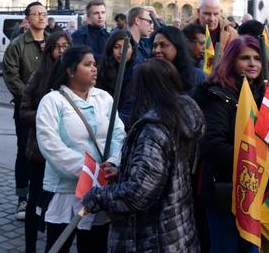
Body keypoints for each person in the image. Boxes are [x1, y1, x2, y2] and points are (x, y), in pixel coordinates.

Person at [82, 58, 205, 252]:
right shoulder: (178, 116)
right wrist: (123, 171)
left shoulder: (155, 129)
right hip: (175, 228)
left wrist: (98, 196)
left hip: (154, 237)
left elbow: (139, 192)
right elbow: (160, 170)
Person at [195, 36, 269, 253]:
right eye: (245, 58)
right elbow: (212, 146)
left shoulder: (264, 94)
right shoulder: (217, 95)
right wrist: (262, 161)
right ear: (230, 61)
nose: (253, 63)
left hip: (256, 192)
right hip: (225, 192)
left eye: (257, 58)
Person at [36, 46, 125, 252]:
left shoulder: (104, 98)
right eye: (87, 64)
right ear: (70, 70)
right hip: (65, 190)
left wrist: (113, 162)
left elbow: (119, 135)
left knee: (95, 246)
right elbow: (50, 145)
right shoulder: (52, 101)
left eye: (94, 64)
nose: (94, 68)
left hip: (100, 189)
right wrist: (89, 171)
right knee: (59, 244)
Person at [20, 30, 72, 253]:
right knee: (35, 201)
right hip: (40, 153)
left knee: (58, 205)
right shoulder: (39, 76)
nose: (62, 51)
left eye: (66, 46)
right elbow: (24, 112)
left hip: (66, 153)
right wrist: (46, 116)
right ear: (49, 49)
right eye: (57, 47)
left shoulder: (73, 76)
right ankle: (30, 246)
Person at [3, 1, 50, 220]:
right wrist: (30, 98)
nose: (41, 17)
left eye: (44, 13)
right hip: (26, 109)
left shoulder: (53, 42)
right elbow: (11, 77)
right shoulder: (18, 45)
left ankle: (43, 198)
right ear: (28, 18)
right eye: (36, 14)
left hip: (52, 109)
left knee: (48, 152)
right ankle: (22, 198)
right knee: (24, 152)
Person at [95, 30, 135, 125]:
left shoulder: (137, 71)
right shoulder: (101, 70)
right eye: (117, 47)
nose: (121, 52)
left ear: (133, 49)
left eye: (126, 47)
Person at [152, 26, 206, 95]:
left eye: (163, 45)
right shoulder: (145, 75)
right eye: (154, 46)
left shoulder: (197, 77)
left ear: (177, 47)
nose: (157, 50)